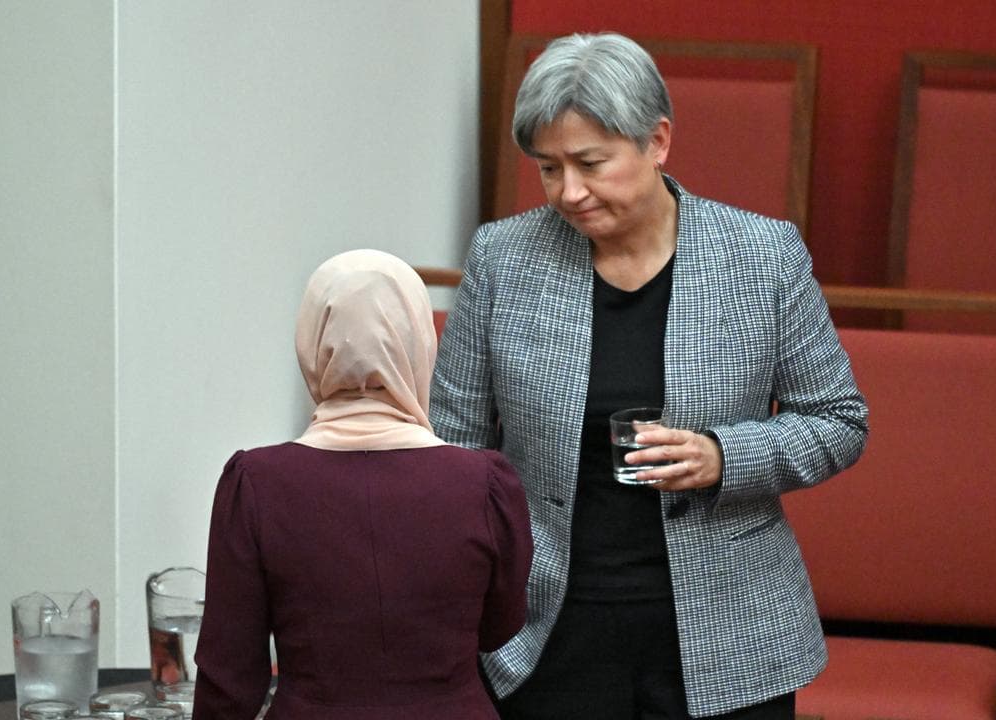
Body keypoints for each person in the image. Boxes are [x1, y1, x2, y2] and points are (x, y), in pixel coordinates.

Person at [430, 32, 868, 720]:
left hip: (728, 628)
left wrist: (726, 455)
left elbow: (838, 423)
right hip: (546, 628)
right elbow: (451, 445)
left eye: (591, 163)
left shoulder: (762, 256)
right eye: (548, 169)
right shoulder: (503, 258)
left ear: (658, 141)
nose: (568, 192)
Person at [193, 249, 534, 720]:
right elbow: (500, 627)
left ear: (311, 343)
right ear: (420, 341)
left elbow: (228, 677)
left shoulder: (254, 484)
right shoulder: (484, 484)